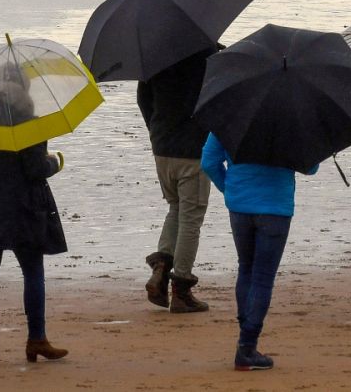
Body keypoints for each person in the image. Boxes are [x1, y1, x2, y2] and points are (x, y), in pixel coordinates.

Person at [0, 62, 69, 367]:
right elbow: (35, 169)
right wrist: (56, 161)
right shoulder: (28, 118)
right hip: (23, 208)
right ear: (24, 86)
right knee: (32, 272)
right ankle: (37, 339)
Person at [201, 132, 318, 371]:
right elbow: (310, 167)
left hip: (240, 205)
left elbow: (209, 162)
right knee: (263, 278)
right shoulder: (293, 121)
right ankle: (247, 345)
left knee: (246, 268)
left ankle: (246, 338)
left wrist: (229, 189)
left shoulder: (230, 116)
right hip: (276, 207)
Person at [136, 44, 220, 313]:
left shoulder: (153, 57)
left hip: (162, 147)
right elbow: (223, 97)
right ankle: (181, 289)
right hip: (193, 150)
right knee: (191, 219)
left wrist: (156, 130)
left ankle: (161, 269)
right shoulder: (212, 56)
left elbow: (143, 99)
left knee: (176, 208)